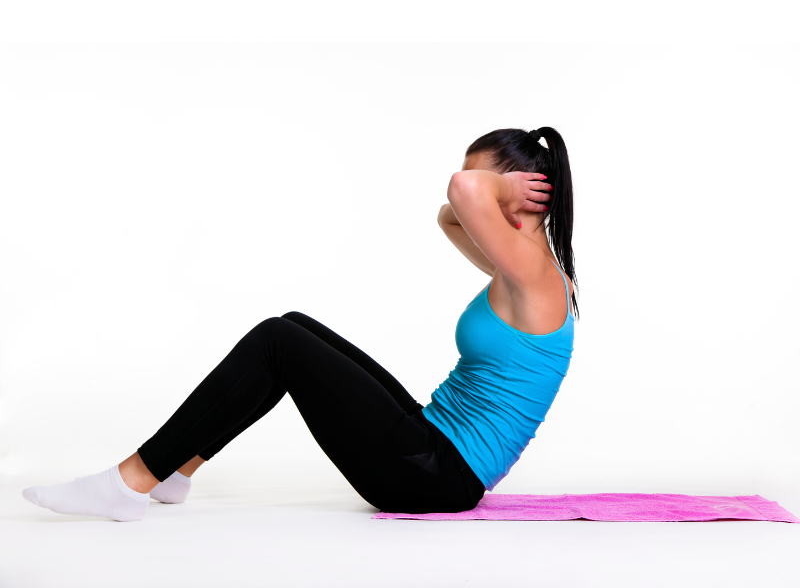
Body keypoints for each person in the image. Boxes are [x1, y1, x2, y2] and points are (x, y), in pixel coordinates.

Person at [21, 126, 578, 522]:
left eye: (481, 176)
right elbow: (448, 215)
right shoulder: (517, 267)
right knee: (294, 326)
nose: (462, 181)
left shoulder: (534, 274)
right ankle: (176, 468)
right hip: (429, 448)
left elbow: (461, 194)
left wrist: (493, 187)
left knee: (276, 341)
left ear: (523, 190)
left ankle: (131, 481)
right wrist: (494, 187)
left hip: (434, 478)